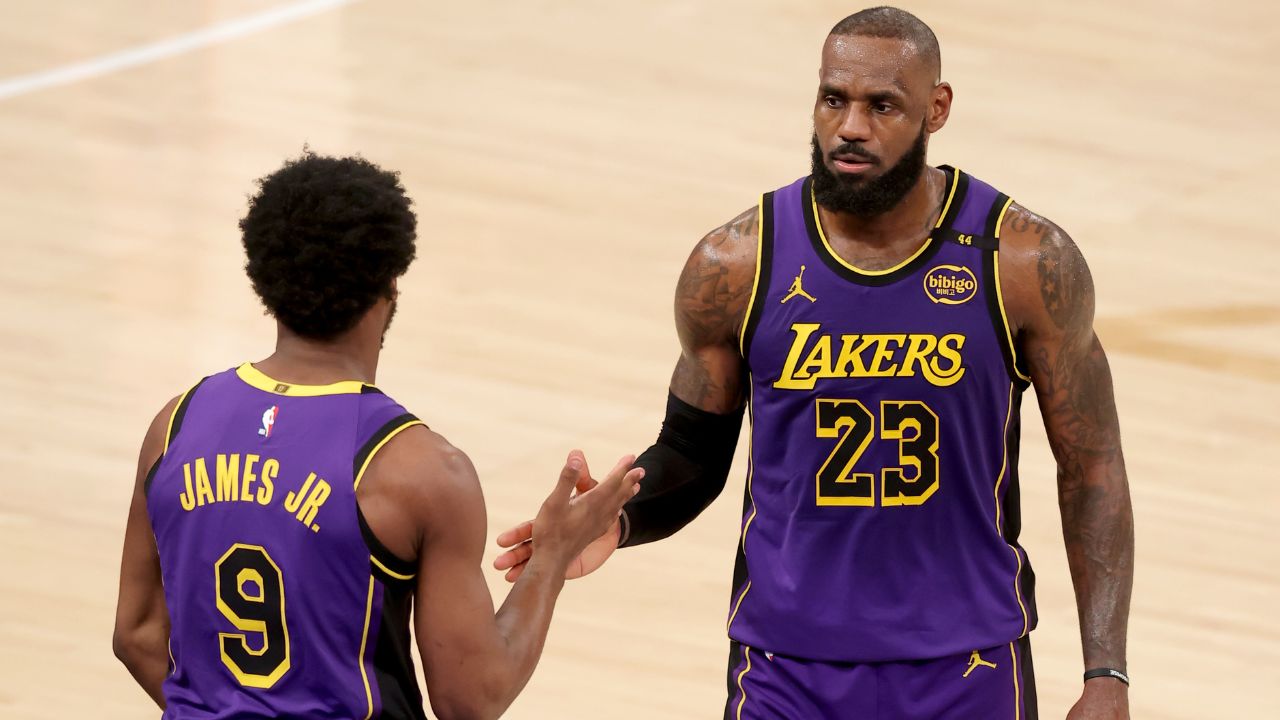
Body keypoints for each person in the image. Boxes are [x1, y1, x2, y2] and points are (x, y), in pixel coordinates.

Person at [495, 7, 1134, 719]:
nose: (851, 127)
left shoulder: (1023, 261)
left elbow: (1094, 466)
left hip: (965, 663)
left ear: (937, 107)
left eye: (882, 105)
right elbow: (692, 455)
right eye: (834, 99)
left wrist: (1105, 670)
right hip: (784, 668)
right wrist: (619, 520)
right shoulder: (736, 263)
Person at [112, 152, 644, 720]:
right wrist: (552, 556)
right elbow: (473, 698)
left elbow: (138, 634)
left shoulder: (176, 424)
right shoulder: (421, 471)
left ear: (264, 276)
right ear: (391, 281)